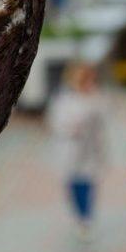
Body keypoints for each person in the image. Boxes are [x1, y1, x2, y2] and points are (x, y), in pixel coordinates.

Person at [48, 63, 107, 238]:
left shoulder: (96, 97)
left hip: (91, 149)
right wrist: (74, 126)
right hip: (71, 149)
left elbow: (103, 117)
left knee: (89, 182)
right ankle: (81, 217)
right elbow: (57, 122)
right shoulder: (65, 99)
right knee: (74, 183)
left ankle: (86, 217)